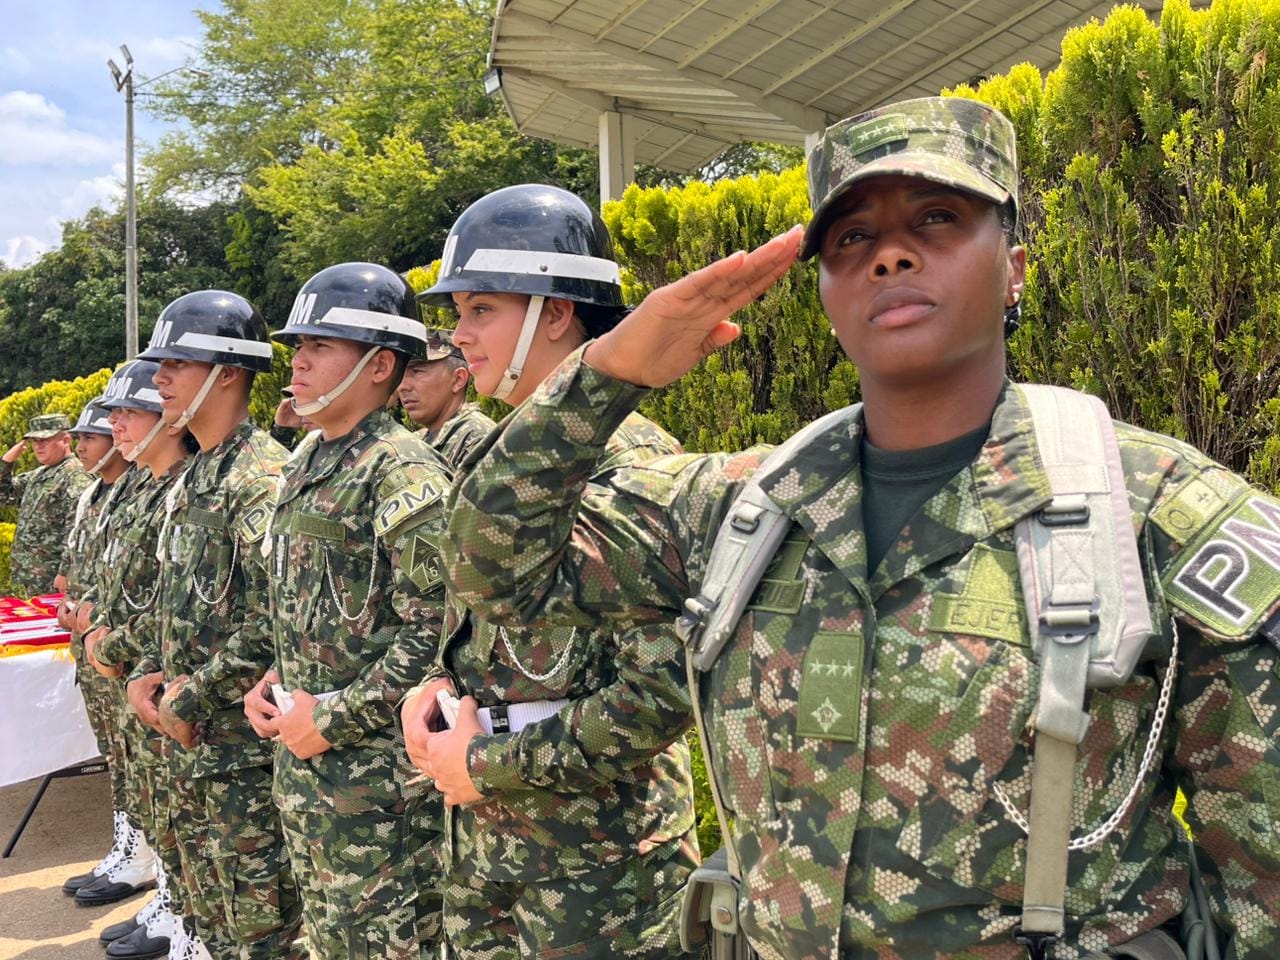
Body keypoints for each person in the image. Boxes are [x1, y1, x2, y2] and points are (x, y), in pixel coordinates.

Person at [440, 98, 1280, 960]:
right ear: (827, 290)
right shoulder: (745, 508)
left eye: (938, 218)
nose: (891, 253)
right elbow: (490, 567)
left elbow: (1264, 879)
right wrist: (607, 372)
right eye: (850, 238)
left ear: (1016, 267)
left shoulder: (1152, 512)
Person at [403, 184, 700, 960]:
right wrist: (436, 688)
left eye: (480, 311)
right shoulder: (494, 457)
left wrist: (489, 764)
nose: (459, 336)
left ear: (556, 312)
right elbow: (485, 634)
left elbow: (665, 691)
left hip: (599, 870)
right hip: (489, 844)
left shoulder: (633, 464)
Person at [240, 262, 449, 959]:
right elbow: (305, 602)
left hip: (380, 795)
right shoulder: (307, 458)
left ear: (379, 364)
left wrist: (330, 718)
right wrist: (272, 678)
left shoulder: (403, 471)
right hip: (310, 778)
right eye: (298, 344)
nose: (297, 360)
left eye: (320, 346)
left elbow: (438, 634)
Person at [132, 290, 303, 960]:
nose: (160, 378)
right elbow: (186, 604)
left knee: (263, 930)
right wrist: (155, 675)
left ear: (229, 372)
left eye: (177, 361)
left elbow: (273, 621)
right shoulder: (197, 473)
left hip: (243, 758)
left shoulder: (259, 477)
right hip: (196, 746)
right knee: (212, 919)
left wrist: (186, 696)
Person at [86, 361, 196, 958]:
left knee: (195, 825)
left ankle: (187, 915)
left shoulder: (194, 483)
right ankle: (176, 902)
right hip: (146, 681)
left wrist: (113, 645)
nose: (115, 425)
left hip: (182, 692)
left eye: (128, 412)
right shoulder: (149, 487)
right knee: (155, 800)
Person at [56, 398, 136, 903]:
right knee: (119, 758)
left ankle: (143, 858)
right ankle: (131, 847)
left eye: (91, 436)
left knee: (137, 762)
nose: (81, 445)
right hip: (94, 646)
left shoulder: (134, 493)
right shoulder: (95, 497)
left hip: (121, 649)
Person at [0, 412, 91, 597]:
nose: (38, 446)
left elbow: (77, 528)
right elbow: (3, 493)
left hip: (54, 580)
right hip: (32, 579)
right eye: (34, 441)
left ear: (65, 440)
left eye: (45, 440)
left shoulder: (75, 476)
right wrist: (7, 461)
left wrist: (65, 572)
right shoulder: (39, 475)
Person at [396, 327, 494, 478]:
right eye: (401, 374)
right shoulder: (418, 439)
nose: (402, 386)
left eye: (417, 372)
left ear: (458, 379)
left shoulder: (477, 440)